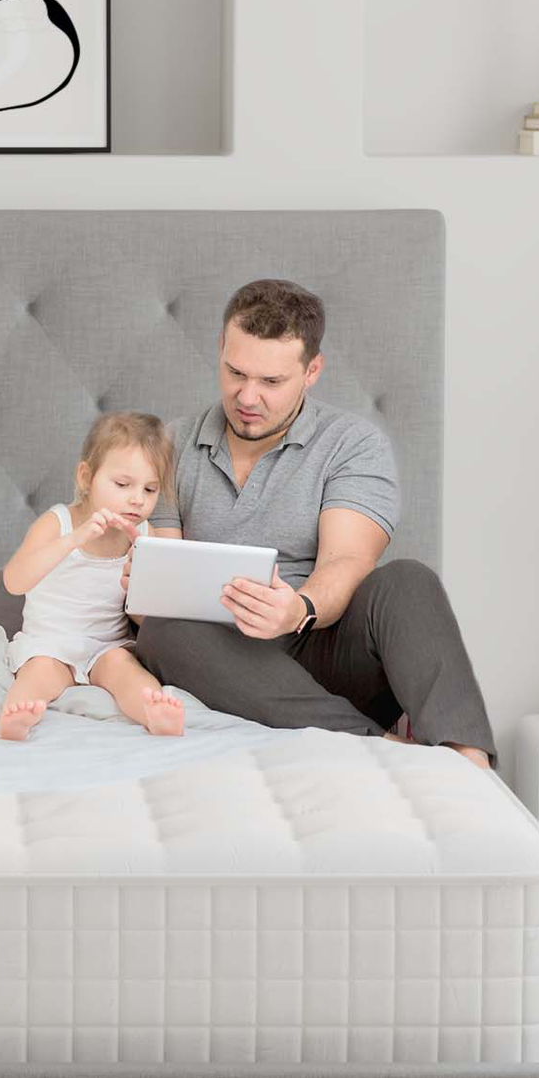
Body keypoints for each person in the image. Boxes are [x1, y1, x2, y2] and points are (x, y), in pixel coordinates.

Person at [130, 279, 495, 769]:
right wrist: (142, 589)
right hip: (226, 663)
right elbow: (163, 581)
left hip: (325, 647)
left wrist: (296, 609)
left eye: (271, 382)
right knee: (161, 631)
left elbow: (346, 561)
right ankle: (380, 747)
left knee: (407, 579)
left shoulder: (353, 444)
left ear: (312, 370)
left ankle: (465, 759)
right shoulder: (169, 444)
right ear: (220, 347)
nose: (248, 396)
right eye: (235, 372)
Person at [0, 411, 186, 742]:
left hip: (106, 645)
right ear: (86, 477)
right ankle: (17, 715)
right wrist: (73, 540)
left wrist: (147, 565)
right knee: (40, 672)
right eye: (123, 485)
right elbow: (15, 581)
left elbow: (147, 614)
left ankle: (155, 711)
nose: (138, 499)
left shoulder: (142, 533)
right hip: (51, 643)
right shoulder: (58, 523)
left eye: (150, 489)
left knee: (125, 670)